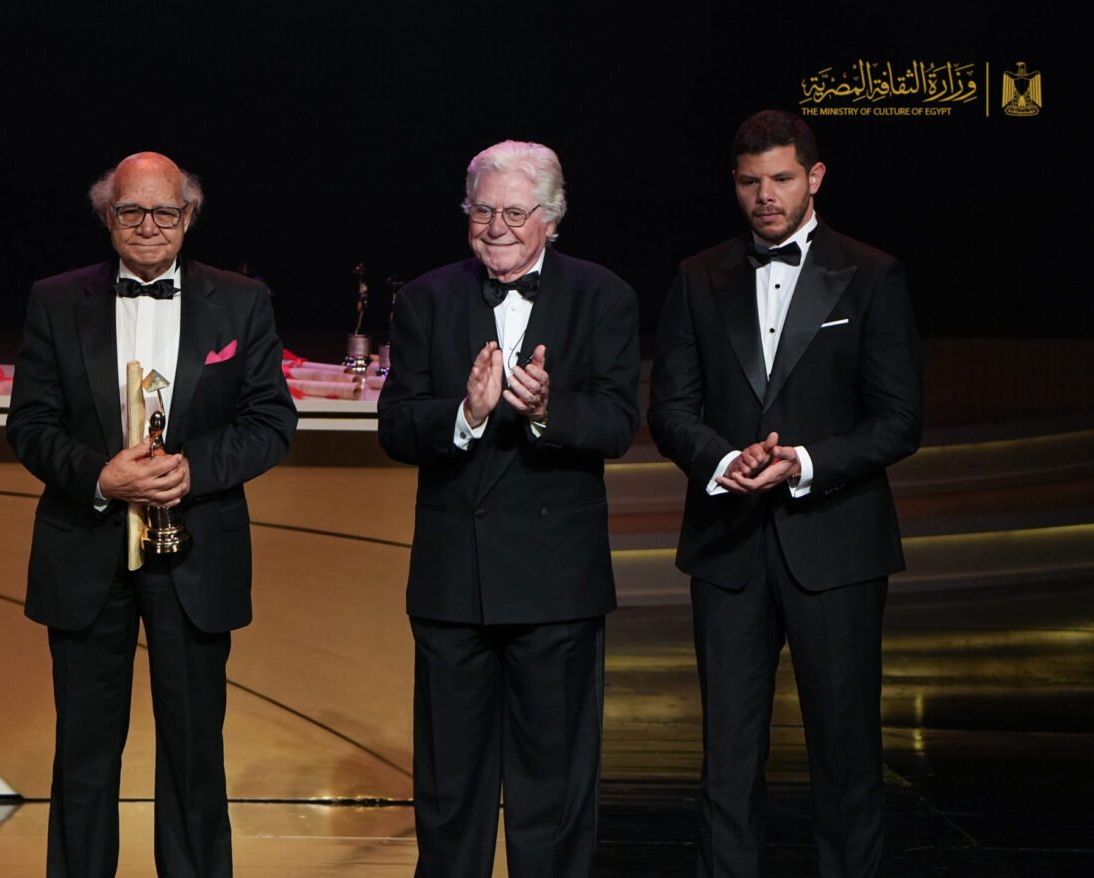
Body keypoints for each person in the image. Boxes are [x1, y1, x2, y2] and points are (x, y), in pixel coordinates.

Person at [6, 151, 296, 877]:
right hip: (86, 549)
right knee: (83, 757)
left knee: (196, 757)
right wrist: (99, 476)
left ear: (189, 216)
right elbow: (30, 424)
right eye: (130, 211)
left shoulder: (242, 301)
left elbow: (270, 422)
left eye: (164, 211)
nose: (147, 225)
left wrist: (192, 470)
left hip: (197, 557)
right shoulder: (54, 299)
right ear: (107, 217)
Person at [648, 110, 922, 877]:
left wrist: (802, 462)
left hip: (837, 544)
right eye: (749, 182)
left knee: (846, 754)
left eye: (780, 179)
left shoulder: (871, 274)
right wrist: (723, 459)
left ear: (815, 177)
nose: (764, 196)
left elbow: (899, 421)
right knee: (728, 759)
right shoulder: (698, 276)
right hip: (728, 544)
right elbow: (670, 409)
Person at [377, 140, 640, 876]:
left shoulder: (603, 295)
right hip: (452, 584)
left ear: (552, 218)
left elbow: (619, 423)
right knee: (449, 795)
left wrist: (549, 410)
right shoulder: (427, 298)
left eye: (516, 213)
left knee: (551, 794)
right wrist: (463, 414)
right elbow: (397, 426)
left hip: (556, 584)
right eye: (482, 210)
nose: (497, 227)